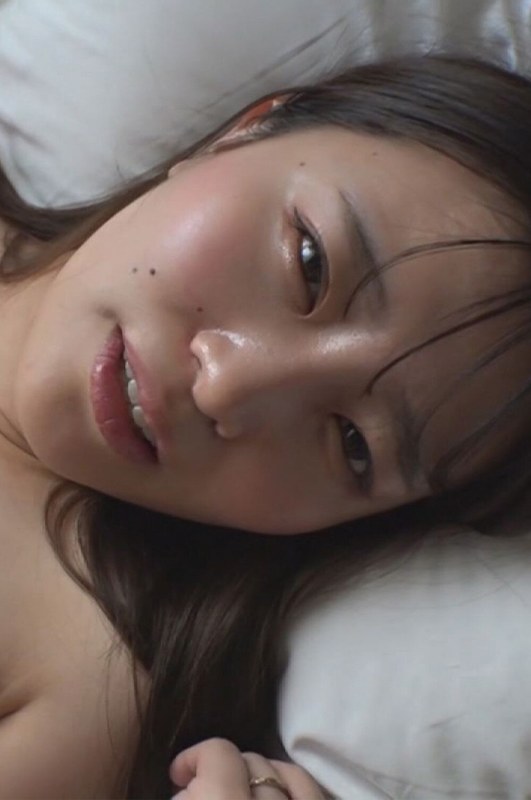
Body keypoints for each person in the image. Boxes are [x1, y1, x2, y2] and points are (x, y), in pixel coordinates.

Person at [0, 52, 529, 799]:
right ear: (250, 129)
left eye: (352, 445)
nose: (228, 387)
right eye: (309, 263)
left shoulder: (73, 695)